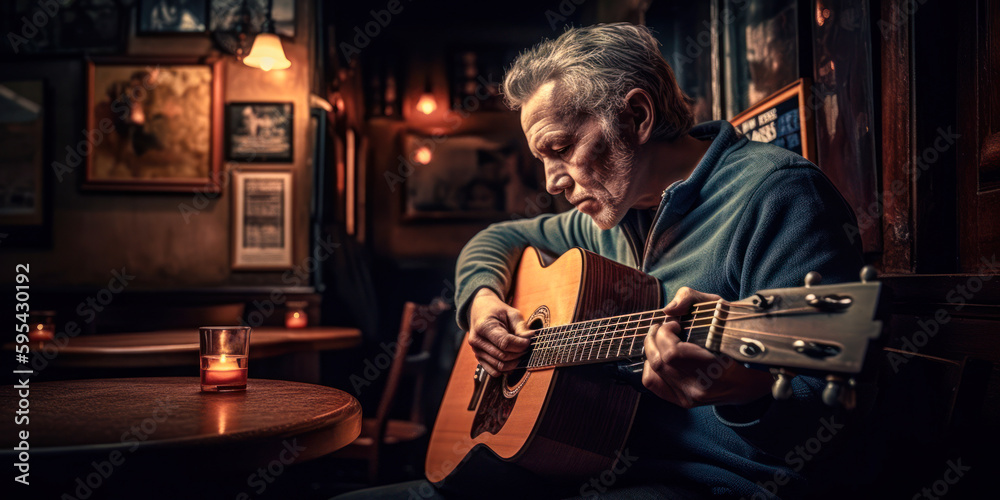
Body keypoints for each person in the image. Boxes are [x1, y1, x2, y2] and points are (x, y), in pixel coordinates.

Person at [337, 23, 873, 499]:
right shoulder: (608, 217)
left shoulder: (777, 194)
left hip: (714, 482)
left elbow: (829, 423)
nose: (551, 181)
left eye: (560, 148)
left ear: (637, 116)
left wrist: (746, 393)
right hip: (585, 467)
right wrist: (481, 303)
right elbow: (494, 239)